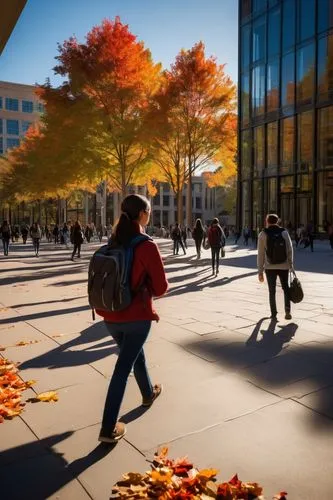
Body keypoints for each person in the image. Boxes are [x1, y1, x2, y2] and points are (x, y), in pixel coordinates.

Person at [96, 194, 168, 443]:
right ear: (143, 214)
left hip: (109, 315)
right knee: (122, 367)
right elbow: (161, 288)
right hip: (136, 317)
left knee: (133, 353)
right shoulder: (147, 245)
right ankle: (107, 429)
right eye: (149, 211)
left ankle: (148, 393)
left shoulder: (113, 241)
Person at [257, 213, 294, 320]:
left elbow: (260, 254)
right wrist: (291, 264)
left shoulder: (263, 234)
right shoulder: (284, 233)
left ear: (267, 221)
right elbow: (290, 250)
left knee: (271, 290)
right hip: (284, 266)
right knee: (285, 288)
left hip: (269, 267)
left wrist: (260, 271)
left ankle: (274, 313)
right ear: (277, 221)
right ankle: (287, 311)